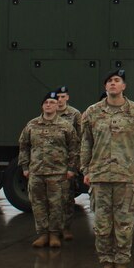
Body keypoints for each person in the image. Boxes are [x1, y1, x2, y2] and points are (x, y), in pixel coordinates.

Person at [80, 69, 134, 268]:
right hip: (101, 177)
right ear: (105, 87)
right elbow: (86, 143)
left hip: (125, 177)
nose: (113, 84)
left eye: (117, 80)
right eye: (109, 81)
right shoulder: (92, 112)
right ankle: (106, 263)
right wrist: (86, 169)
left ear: (124, 86)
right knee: (102, 224)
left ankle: (121, 263)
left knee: (124, 223)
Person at [18, 90, 80, 248]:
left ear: (56, 106)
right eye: (46, 103)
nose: (49, 105)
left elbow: (74, 147)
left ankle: (54, 234)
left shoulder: (65, 126)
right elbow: (24, 146)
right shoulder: (32, 125)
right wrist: (25, 167)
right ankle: (43, 234)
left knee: (57, 205)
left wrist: (72, 168)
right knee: (38, 204)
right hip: (37, 172)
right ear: (42, 106)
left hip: (58, 173)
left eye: (52, 103)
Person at [54, 86, 83, 239]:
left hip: (67, 162)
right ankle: (52, 230)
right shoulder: (49, 113)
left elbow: (80, 138)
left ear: (67, 97)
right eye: (57, 97)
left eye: (62, 96)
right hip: (51, 162)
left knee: (67, 197)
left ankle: (66, 228)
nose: (59, 100)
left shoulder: (74, 114)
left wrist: (75, 164)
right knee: (51, 199)